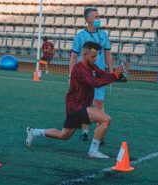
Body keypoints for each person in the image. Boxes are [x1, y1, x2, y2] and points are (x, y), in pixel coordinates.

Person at [26, 42, 123, 159]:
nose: (95, 58)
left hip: (79, 106)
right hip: (76, 107)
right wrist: (115, 76)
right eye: (93, 56)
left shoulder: (92, 67)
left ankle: (34, 132)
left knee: (64, 135)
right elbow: (95, 83)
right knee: (106, 119)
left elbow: (103, 75)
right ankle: (93, 150)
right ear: (84, 54)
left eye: (96, 56)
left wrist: (116, 75)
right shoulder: (79, 69)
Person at [69, 7, 113, 142]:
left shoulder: (104, 35)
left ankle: (101, 134)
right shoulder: (80, 36)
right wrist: (71, 75)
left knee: (99, 103)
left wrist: (110, 72)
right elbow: (73, 56)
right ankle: (85, 132)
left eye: (99, 17)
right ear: (88, 19)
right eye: (96, 17)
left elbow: (108, 54)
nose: (99, 19)